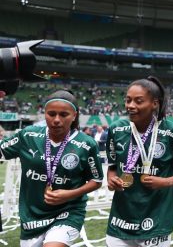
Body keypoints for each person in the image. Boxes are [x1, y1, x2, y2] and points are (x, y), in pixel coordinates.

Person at [0, 90, 103, 247]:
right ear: (44, 113)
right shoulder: (28, 136)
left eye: (63, 115)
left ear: (74, 115)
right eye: (51, 114)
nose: (56, 120)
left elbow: (96, 180)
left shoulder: (86, 144)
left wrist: (69, 194)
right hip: (32, 217)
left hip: (68, 213)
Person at [105, 77, 173, 246]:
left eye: (138, 101)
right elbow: (112, 166)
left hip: (157, 218)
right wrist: (111, 179)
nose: (131, 105)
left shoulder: (172, 132)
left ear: (154, 103)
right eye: (128, 100)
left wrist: (166, 181)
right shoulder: (116, 129)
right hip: (121, 219)